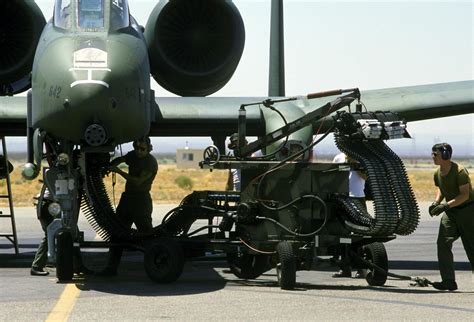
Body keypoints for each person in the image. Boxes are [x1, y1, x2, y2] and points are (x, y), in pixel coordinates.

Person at [100, 136, 158, 275]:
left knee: (147, 235)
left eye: (142, 149)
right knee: (118, 233)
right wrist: (109, 166)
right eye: (136, 148)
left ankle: (155, 265)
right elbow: (121, 160)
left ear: (149, 149)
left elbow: (138, 182)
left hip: (141, 200)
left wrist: (118, 171)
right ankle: (111, 267)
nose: (139, 151)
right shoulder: (133, 155)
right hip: (127, 199)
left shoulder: (150, 162)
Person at [429, 143, 474, 291]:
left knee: (471, 246)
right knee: (443, 243)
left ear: (445, 155)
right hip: (451, 212)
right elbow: (440, 189)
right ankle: (448, 280)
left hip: (467, 211)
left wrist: (445, 206)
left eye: (435, 154)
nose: (433, 157)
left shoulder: (459, 171)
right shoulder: (437, 172)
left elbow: (464, 195)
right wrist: (436, 202)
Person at [30, 187, 92, 276]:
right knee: (53, 234)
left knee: (70, 233)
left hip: (49, 204)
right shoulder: (67, 176)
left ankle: (78, 266)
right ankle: (36, 266)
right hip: (50, 205)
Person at [332, 152, 367, 278]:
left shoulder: (362, 157)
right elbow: (334, 177)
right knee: (342, 233)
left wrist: (355, 165)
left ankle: (360, 268)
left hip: (357, 197)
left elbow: (366, 177)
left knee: (359, 234)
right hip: (342, 198)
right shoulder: (338, 158)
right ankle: (344, 268)